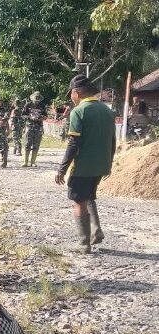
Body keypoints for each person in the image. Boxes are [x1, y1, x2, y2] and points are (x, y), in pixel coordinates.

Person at [56, 75, 116, 254]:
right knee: (88, 196)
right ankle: (96, 231)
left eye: (71, 94)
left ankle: (84, 245)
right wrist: (109, 163)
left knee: (79, 201)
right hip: (101, 165)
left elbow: (73, 143)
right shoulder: (107, 111)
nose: (71, 98)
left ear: (77, 92)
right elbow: (112, 141)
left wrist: (62, 169)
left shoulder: (79, 111)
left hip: (83, 166)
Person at [23, 91, 47, 167]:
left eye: (38, 98)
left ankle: (33, 162)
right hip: (29, 126)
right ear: (33, 97)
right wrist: (30, 117)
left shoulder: (42, 106)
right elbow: (23, 115)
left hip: (38, 127)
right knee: (27, 144)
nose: (37, 99)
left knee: (36, 145)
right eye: (36, 98)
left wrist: (42, 118)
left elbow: (45, 116)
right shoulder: (28, 105)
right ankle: (25, 162)